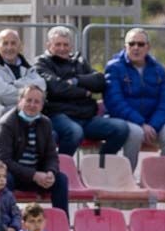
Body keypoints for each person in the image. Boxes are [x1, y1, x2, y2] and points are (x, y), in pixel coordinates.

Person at [35, 26, 129, 157]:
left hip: (86, 117)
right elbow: (56, 89)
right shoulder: (41, 63)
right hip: (58, 115)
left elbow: (100, 81)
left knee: (121, 128)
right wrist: (85, 92)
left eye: (66, 45)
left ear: (71, 46)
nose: (62, 48)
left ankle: (99, 166)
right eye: (58, 44)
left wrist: (76, 81)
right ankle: (60, 168)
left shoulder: (79, 60)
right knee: (75, 132)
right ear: (48, 45)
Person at [0, 85, 71, 218]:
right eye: (28, 100)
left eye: (37, 102)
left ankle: (63, 225)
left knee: (61, 179)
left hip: (31, 174)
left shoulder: (46, 123)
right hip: (5, 172)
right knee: (4, 178)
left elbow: (52, 156)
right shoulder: (6, 124)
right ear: (19, 101)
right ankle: (4, 223)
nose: (32, 105)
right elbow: (4, 161)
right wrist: (34, 175)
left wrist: (50, 172)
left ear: (42, 105)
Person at [102, 28, 165, 168]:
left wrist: (153, 125)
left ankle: (160, 176)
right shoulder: (114, 68)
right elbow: (115, 102)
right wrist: (140, 123)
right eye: (132, 43)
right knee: (136, 133)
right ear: (125, 47)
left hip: (152, 123)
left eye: (140, 44)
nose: (136, 48)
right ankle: (128, 177)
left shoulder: (158, 70)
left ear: (148, 47)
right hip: (125, 121)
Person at [0, 29, 45, 111]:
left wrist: (14, 84)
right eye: (5, 43)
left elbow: (42, 85)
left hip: (29, 111)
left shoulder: (28, 64)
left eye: (13, 43)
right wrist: (30, 92)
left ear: (19, 46)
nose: (9, 47)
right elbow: (4, 95)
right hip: (2, 114)